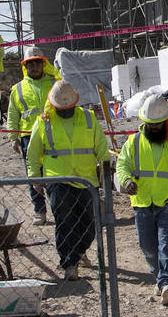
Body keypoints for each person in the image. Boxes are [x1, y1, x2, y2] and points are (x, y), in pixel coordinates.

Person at [25, 80, 109, 281]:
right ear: (53, 105)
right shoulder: (44, 122)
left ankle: (78, 252)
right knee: (65, 223)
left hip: (87, 180)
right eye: (61, 108)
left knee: (89, 224)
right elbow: (33, 153)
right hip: (58, 180)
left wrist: (106, 171)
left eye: (68, 108)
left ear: (75, 103)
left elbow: (101, 148)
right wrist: (35, 179)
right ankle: (69, 263)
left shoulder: (88, 119)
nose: (64, 111)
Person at [116, 94, 168, 305]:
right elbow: (122, 165)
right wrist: (126, 180)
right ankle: (160, 279)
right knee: (147, 247)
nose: (155, 127)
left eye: (158, 124)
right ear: (145, 122)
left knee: (165, 243)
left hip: (167, 203)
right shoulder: (133, 142)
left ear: (166, 120)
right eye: (151, 124)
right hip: (141, 203)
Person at [7, 47, 60, 225]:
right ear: (26, 66)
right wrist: (13, 138)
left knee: (53, 174)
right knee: (34, 175)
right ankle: (39, 211)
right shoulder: (18, 88)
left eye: (37, 63)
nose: (34, 67)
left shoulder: (55, 83)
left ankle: (57, 210)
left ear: (43, 64)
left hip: (52, 135)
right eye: (31, 64)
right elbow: (13, 113)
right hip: (28, 137)